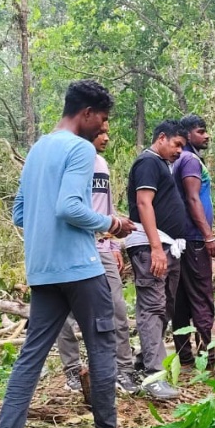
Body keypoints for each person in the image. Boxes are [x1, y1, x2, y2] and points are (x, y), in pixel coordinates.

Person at [0, 80, 136, 428]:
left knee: (32, 355)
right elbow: (71, 208)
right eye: (103, 119)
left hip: (42, 270)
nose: (102, 128)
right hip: (80, 267)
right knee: (102, 344)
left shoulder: (38, 149)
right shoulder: (80, 149)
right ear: (87, 113)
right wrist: (114, 223)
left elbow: (21, 214)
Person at [53, 121, 140, 395]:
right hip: (71, 248)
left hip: (102, 247)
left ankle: (123, 370)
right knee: (64, 314)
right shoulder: (66, 161)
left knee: (117, 310)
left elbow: (108, 204)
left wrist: (114, 245)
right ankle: (73, 371)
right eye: (101, 132)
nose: (105, 138)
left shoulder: (101, 164)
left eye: (107, 133)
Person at [125, 120, 189, 400]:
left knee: (164, 306)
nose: (179, 151)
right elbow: (143, 204)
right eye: (176, 145)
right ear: (161, 138)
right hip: (151, 245)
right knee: (152, 306)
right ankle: (154, 375)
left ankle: (143, 360)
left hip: (167, 244)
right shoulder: (148, 163)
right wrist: (155, 247)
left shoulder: (163, 164)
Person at [172, 114, 215, 371]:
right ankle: (208, 360)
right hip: (194, 240)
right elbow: (193, 199)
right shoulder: (190, 160)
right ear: (188, 134)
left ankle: (186, 358)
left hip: (180, 240)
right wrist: (208, 235)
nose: (206, 135)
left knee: (181, 300)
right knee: (202, 297)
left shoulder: (179, 158)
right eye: (201, 131)